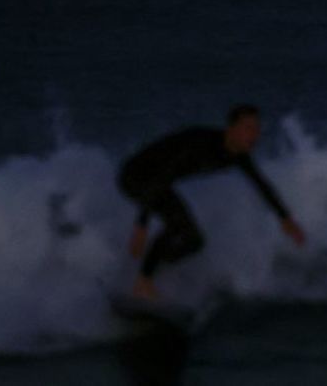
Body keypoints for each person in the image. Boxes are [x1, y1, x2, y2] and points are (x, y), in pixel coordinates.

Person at [116, 103, 305, 300]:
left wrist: (286, 219)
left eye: (257, 129)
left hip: (159, 182)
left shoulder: (238, 155)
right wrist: (142, 224)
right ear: (231, 128)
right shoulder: (202, 144)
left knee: (195, 241)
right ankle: (143, 282)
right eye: (248, 128)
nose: (254, 135)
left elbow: (262, 184)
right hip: (136, 175)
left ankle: (151, 267)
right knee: (177, 225)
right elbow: (164, 173)